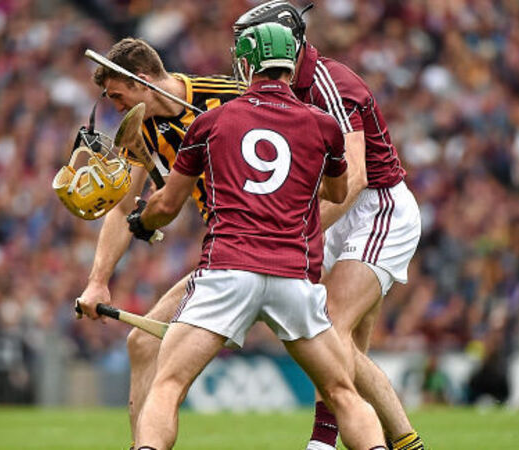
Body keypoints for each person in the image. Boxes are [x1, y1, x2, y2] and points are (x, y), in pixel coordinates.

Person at [127, 23, 387, 450]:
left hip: (228, 271)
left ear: (247, 66)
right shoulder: (323, 125)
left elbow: (167, 205)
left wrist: (142, 221)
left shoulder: (211, 121)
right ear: (291, 66)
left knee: (167, 385)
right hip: (293, 277)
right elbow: (339, 192)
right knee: (343, 393)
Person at [232, 2, 424, 450]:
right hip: (333, 211)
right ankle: (400, 443)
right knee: (347, 349)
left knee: (328, 327)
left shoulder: (329, 82)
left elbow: (355, 178)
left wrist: (296, 230)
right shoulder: (275, 87)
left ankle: (326, 441)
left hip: (375, 210)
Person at [75, 37, 245, 443]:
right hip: (228, 251)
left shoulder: (229, 95)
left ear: (143, 81)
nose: (117, 107)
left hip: (267, 244)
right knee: (143, 343)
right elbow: (122, 208)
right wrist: (98, 280)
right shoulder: (142, 130)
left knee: (337, 358)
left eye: (118, 95)